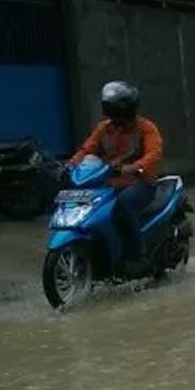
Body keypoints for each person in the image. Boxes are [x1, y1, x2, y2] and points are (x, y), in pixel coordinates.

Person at [69, 81, 164, 271]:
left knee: (122, 207)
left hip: (140, 182)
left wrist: (134, 167)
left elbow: (154, 153)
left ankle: (138, 256)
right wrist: (72, 164)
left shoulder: (146, 128)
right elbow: (88, 148)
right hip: (109, 182)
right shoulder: (104, 128)